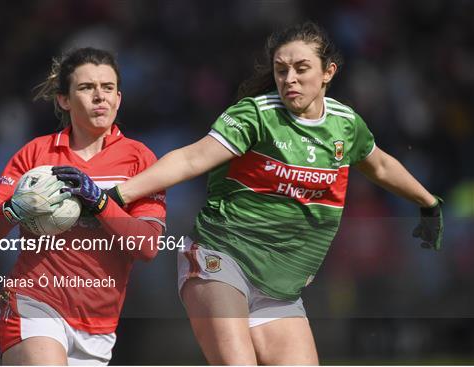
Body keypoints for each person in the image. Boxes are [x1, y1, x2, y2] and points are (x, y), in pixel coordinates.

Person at [106, 22, 444, 365]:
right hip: (221, 260)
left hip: (281, 289)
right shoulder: (256, 115)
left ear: (328, 72)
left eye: (301, 68)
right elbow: (192, 157)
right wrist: (118, 195)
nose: (289, 78)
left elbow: (381, 166)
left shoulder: (345, 124)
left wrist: (428, 203)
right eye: (281, 70)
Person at [0, 47, 166, 365]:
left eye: (107, 88)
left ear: (119, 98)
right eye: (86, 87)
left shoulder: (140, 159)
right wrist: (15, 209)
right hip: (35, 301)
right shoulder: (34, 155)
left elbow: (146, 247)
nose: (99, 97)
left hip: (99, 326)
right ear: (64, 99)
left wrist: (101, 202)